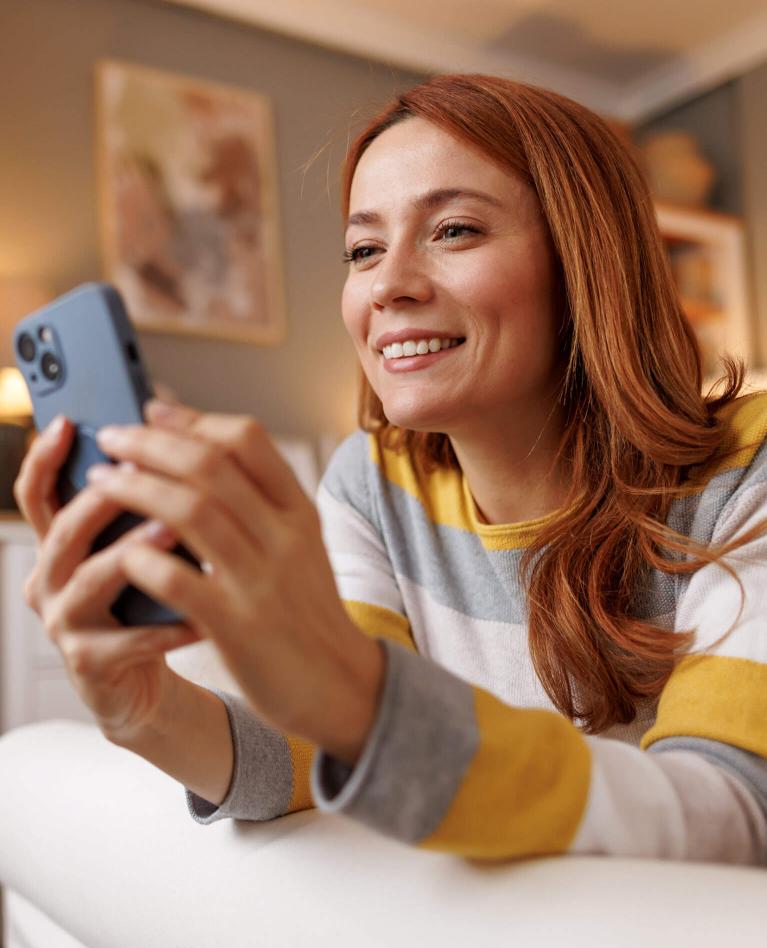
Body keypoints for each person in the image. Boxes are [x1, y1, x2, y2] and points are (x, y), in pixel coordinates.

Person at [15, 74, 767, 865]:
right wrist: (146, 711)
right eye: (364, 249)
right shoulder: (373, 482)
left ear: (585, 260)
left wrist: (361, 698)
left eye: (454, 231)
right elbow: (312, 745)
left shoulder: (746, 473)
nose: (386, 284)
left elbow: (733, 815)